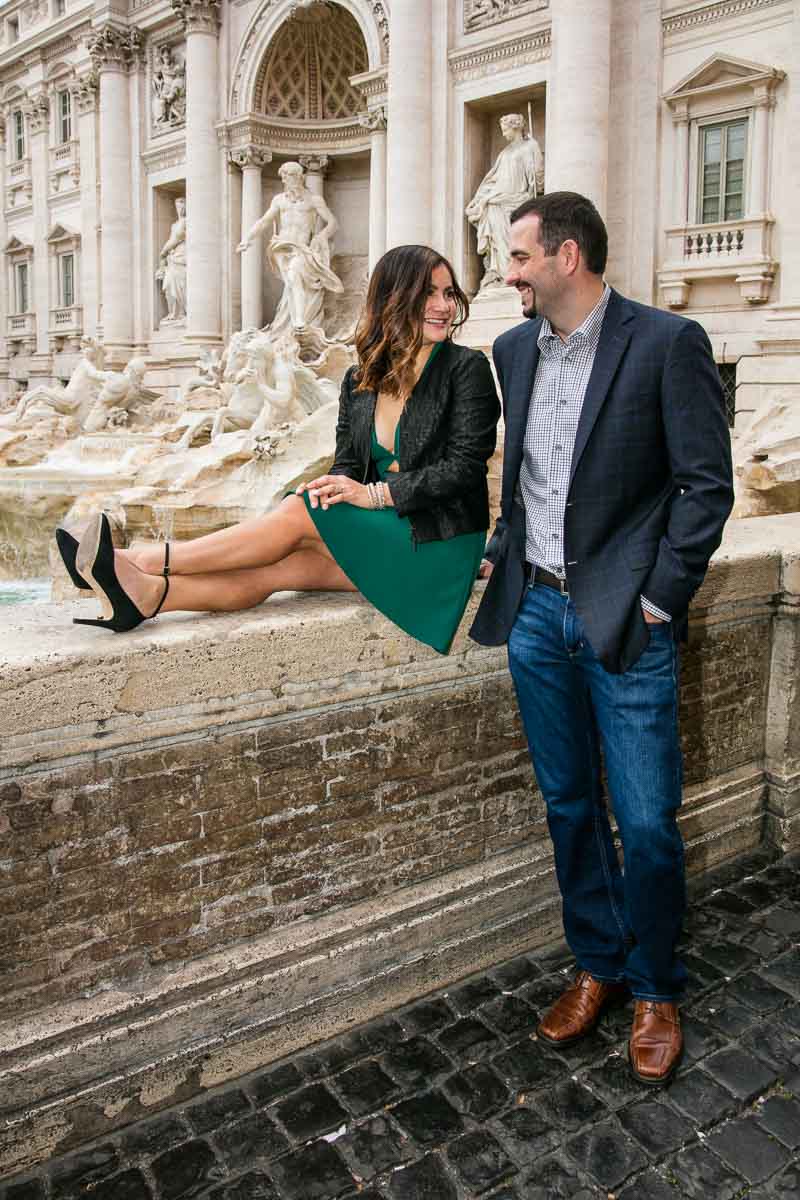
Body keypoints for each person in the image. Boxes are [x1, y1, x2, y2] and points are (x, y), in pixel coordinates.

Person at [470, 192, 734, 1085]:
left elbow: (706, 488)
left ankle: (658, 986)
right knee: (569, 807)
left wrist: (658, 600)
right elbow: (530, 483)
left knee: (651, 821)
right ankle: (600, 964)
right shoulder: (513, 351)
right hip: (536, 617)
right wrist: (502, 556)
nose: (505, 274)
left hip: (627, 621)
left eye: (517, 257)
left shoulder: (666, 342)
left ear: (566, 256)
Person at [57, 245, 500, 655]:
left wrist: (375, 495)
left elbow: (463, 469)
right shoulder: (359, 380)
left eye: (447, 293)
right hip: (390, 534)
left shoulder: (466, 369)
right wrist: (336, 485)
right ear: (393, 298)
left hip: (440, 543)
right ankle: (149, 594)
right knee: (281, 567)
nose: (444, 306)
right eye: (429, 293)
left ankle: (135, 560)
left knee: (299, 510)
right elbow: (349, 463)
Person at [236, 161, 343, 337]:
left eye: (289, 176)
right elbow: (264, 221)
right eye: (284, 177)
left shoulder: (313, 200)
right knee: (292, 284)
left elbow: (333, 223)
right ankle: (293, 321)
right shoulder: (279, 200)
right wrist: (248, 238)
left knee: (294, 276)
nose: (285, 181)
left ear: (299, 177)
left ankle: (299, 320)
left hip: (301, 248)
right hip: (281, 248)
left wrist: (321, 236)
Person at [465, 113, 545, 288]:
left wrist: (536, 186)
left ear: (515, 127)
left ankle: (513, 274)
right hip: (498, 199)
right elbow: (493, 178)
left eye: (505, 130)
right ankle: (499, 273)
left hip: (517, 198)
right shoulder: (504, 152)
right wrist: (481, 198)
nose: (503, 134)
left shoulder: (530, 146)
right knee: (496, 234)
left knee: (514, 238)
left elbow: (537, 175)